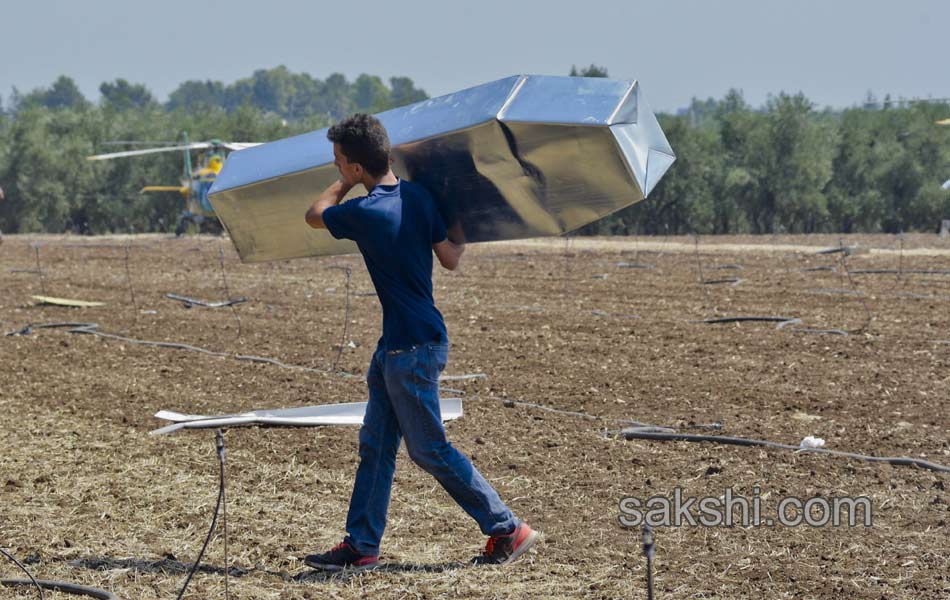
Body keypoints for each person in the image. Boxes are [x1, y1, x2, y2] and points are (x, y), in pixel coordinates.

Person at [304, 114, 538, 570]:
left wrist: (342, 182)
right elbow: (450, 257)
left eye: (339, 162)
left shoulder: (364, 211)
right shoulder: (417, 198)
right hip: (404, 343)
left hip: (409, 349)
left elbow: (314, 216)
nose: (337, 168)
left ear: (354, 167)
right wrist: (461, 215)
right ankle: (361, 545)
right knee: (376, 444)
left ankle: (507, 529)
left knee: (429, 450)